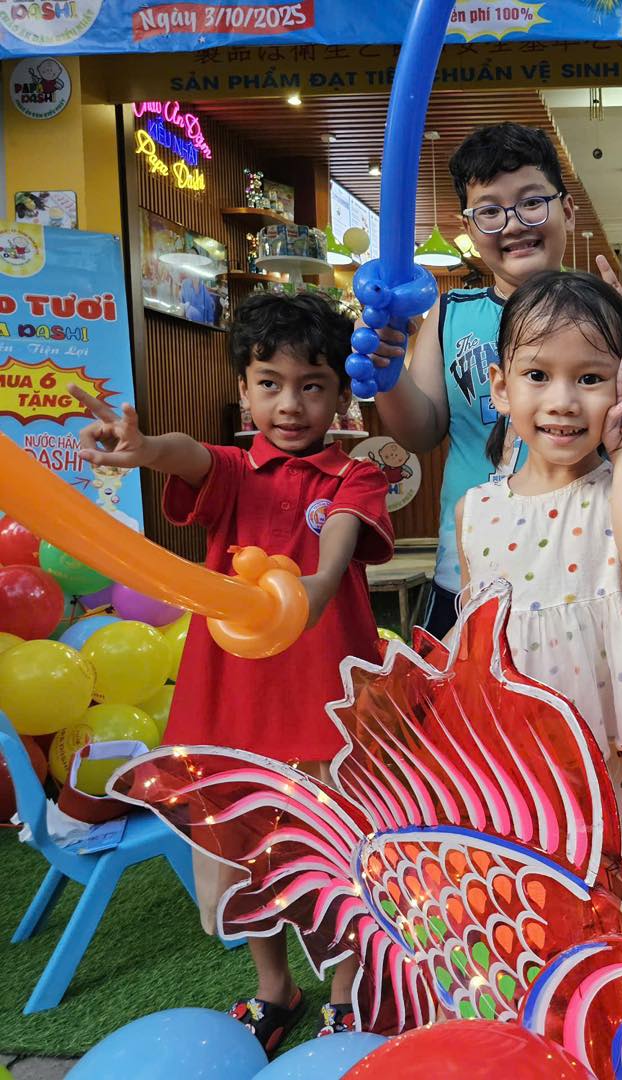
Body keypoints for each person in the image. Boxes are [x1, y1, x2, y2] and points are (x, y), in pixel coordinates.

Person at [73, 292, 394, 1052]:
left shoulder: (355, 475)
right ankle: (275, 989)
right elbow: (186, 452)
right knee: (246, 854)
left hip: (328, 710)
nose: (290, 404)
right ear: (243, 392)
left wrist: (317, 587)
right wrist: (143, 449)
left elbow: (340, 540)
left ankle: (347, 994)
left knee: (341, 856)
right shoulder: (233, 469)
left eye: (312, 385)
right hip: (232, 713)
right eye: (269, 383)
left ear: (340, 395)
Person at [456, 270, 622, 896]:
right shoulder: (475, 510)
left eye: (590, 379)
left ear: (621, 388)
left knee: (611, 888)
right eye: (538, 375)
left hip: (600, 753)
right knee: (522, 890)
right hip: (508, 758)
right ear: (501, 387)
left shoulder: (621, 489)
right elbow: (471, 640)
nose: (563, 400)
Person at [366, 122, 622, 640]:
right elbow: (420, 431)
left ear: (568, 210)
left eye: (531, 202)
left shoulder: (603, 314)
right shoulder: (449, 314)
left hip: (586, 565)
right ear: (468, 226)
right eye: (490, 211)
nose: (514, 224)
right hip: (472, 569)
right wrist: (389, 375)